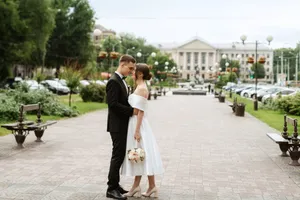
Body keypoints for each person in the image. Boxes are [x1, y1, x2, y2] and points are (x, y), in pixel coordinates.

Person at [121, 63, 164, 198]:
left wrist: (137, 131)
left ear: (140, 74)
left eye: (134, 71)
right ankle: (149, 187)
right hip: (136, 124)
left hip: (138, 125)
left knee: (139, 155)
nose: (132, 73)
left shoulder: (142, 89)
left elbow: (140, 112)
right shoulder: (140, 87)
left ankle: (140, 187)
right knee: (140, 155)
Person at [106, 55, 138, 200]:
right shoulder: (113, 81)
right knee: (117, 156)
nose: (132, 71)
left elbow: (122, 101)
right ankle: (111, 188)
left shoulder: (121, 81)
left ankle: (116, 185)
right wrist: (131, 111)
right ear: (122, 64)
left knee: (119, 156)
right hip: (117, 125)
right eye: (130, 68)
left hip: (122, 124)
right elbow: (112, 104)